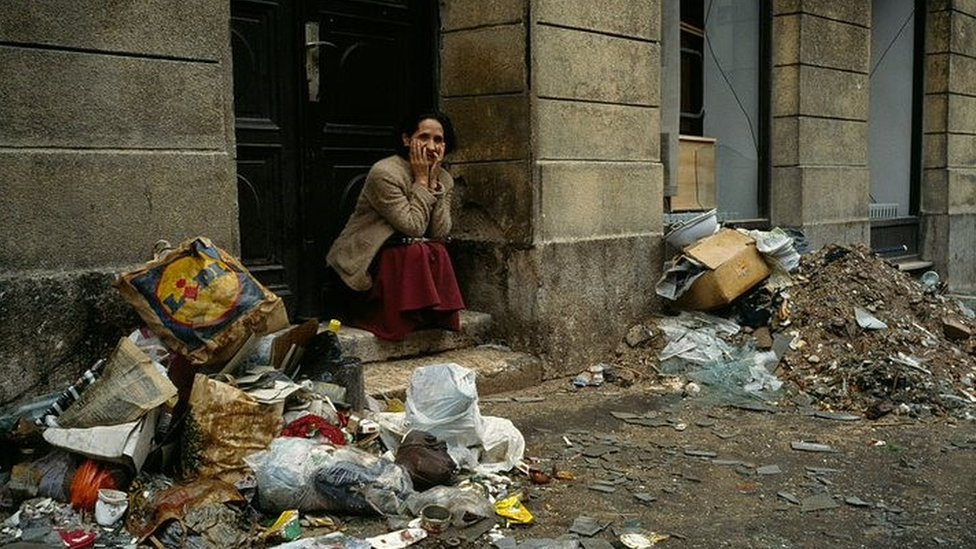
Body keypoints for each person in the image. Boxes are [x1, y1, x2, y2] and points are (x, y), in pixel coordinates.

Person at [326, 112, 465, 341]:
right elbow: (413, 227)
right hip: (366, 263)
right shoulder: (386, 173)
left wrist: (434, 184)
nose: (431, 147)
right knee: (415, 251)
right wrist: (421, 182)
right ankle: (394, 317)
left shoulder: (444, 178)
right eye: (424, 137)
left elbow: (439, 232)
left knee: (436, 251)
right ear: (407, 140)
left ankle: (427, 314)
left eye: (438, 140)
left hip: (404, 254)